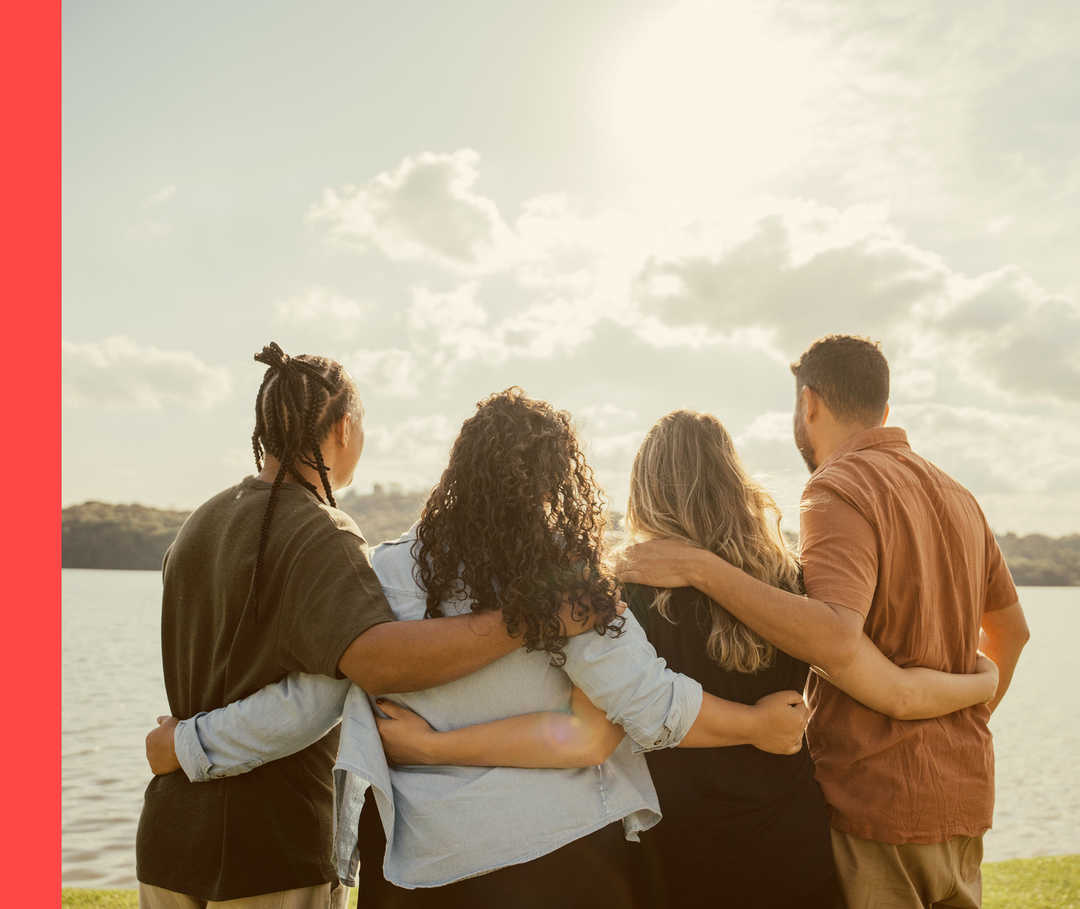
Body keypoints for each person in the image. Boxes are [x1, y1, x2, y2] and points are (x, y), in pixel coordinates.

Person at [145, 387, 810, 908]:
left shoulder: (387, 573)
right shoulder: (567, 583)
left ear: (458, 469)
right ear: (558, 485)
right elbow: (649, 703)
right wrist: (753, 724)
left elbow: (310, 699)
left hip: (422, 869)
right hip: (561, 861)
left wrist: (190, 743)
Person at [136, 348, 604, 909]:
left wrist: (181, 746)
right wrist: (531, 617)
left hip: (168, 839)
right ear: (343, 426)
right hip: (265, 849)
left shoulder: (197, 525)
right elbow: (349, 679)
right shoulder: (321, 531)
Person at [617, 335, 1030, 909]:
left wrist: (701, 568)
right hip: (956, 800)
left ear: (808, 404)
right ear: (883, 409)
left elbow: (836, 638)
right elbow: (1013, 632)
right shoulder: (959, 496)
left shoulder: (838, 487)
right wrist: (968, 709)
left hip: (871, 802)